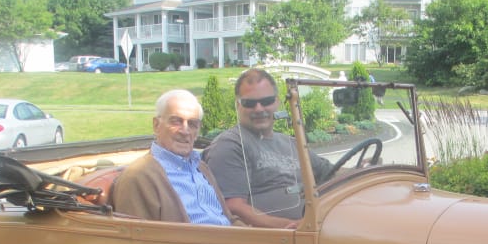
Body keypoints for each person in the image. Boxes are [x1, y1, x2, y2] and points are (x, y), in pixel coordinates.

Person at [204, 68, 332, 229]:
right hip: (279, 241)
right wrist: (294, 226)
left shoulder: (291, 143)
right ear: (238, 106)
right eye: (249, 103)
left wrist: (365, 167)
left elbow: (332, 173)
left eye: (266, 101)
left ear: (277, 102)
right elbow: (233, 207)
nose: (259, 109)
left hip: (318, 228)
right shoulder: (230, 145)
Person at [111, 89, 238, 225]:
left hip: (233, 241)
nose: (185, 131)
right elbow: (138, 241)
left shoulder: (201, 168)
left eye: (192, 124)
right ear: (156, 125)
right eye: (176, 121)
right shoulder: (138, 177)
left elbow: (228, 219)